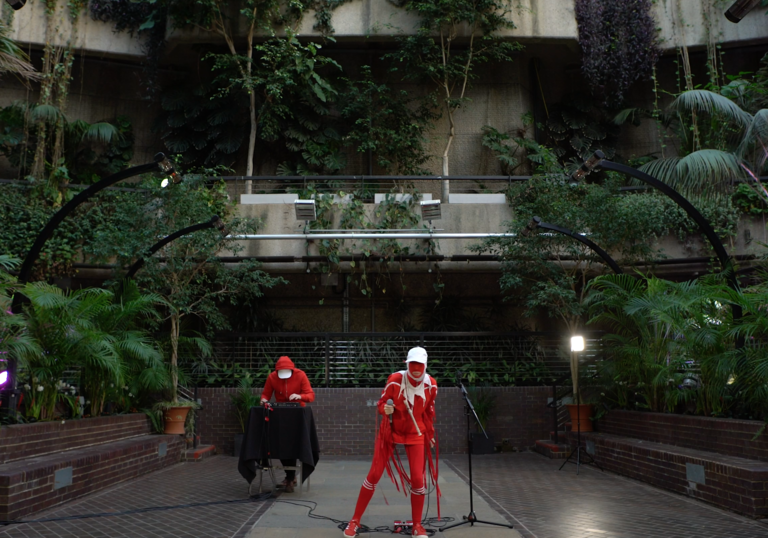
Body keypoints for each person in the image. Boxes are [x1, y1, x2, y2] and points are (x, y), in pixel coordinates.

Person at [343, 347, 439, 538]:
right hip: (391, 431)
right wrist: (384, 409)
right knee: (374, 474)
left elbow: (428, 412)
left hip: (416, 433)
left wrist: (430, 433)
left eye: (420, 365)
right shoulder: (395, 380)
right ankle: (354, 520)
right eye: (413, 365)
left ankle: (417, 525)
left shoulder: (431, 385)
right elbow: (381, 403)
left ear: (426, 366)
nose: (416, 369)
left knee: (418, 480)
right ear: (407, 364)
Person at [260, 355, 315, 493]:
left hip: (297, 415)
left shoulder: (300, 375)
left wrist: (300, 396)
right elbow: (265, 394)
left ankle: (290, 478)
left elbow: (310, 395)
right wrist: (264, 400)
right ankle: (290, 477)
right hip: (280, 415)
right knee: (280, 444)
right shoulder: (272, 377)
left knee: (294, 444)